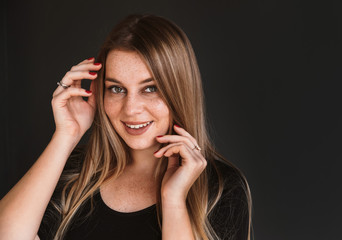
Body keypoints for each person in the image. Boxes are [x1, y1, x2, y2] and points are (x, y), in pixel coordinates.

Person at [0, 14, 252, 240]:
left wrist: (173, 200)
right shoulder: (73, 174)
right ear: (99, 93)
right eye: (117, 89)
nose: (131, 109)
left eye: (150, 88)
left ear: (179, 90)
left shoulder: (221, 188)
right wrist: (66, 135)